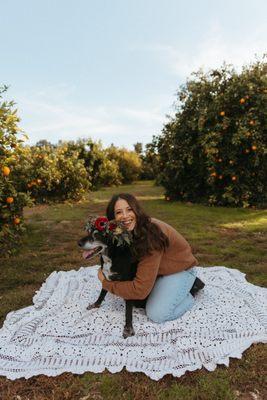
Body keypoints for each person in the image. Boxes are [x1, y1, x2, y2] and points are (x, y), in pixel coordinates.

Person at [97, 193, 204, 323]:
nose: (125, 216)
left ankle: (191, 291)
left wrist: (106, 283)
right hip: (159, 270)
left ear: (137, 210)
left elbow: (140, 290)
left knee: (157, 314)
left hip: (180, 270)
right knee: (137, 301)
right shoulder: (124, 233)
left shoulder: (150, 237)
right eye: (119, 212)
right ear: (112, 218)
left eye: (129, 209)